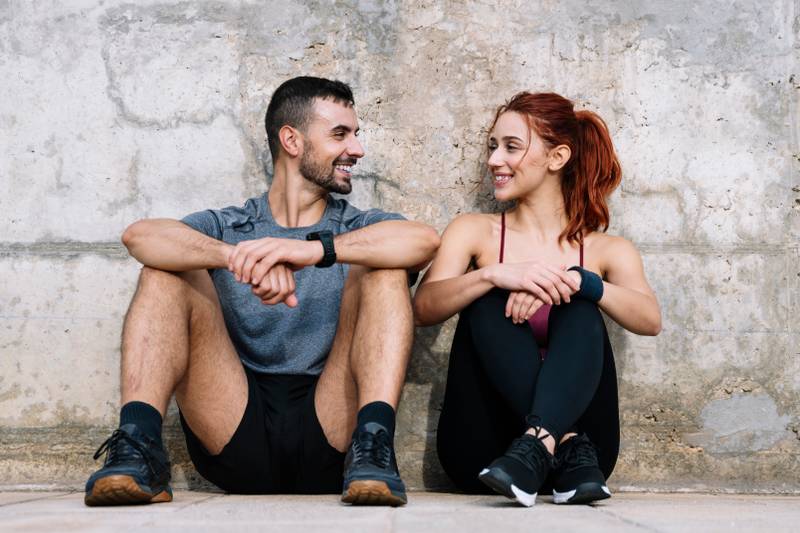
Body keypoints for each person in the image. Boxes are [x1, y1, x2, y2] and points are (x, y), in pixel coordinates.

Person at [84, 76, 440, 507]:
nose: (357, 150)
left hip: (332, 430)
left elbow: (422, 242)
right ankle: (138, 450)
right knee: (165, 271)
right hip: (234, 423)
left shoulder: (354, 225)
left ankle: (375, 444)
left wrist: (310, 250)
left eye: (355, 135)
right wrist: (240, 258)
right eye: (340, 134)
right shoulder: (232, 224)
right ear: (291, 139)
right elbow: (139, 237)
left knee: (382, 269)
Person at [413, 92, 661, 506]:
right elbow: (423, 308)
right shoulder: (474, 231)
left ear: (557, 157)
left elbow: (650, 320)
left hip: (583, 464)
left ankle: (540, 444)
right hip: (488, 456)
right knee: (487, 299)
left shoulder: (605, 250)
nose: (494, 160)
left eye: (511, 147)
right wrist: (493, 275)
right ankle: (558, 441)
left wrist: (582, 282)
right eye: (493, 146)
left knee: (580, 302)